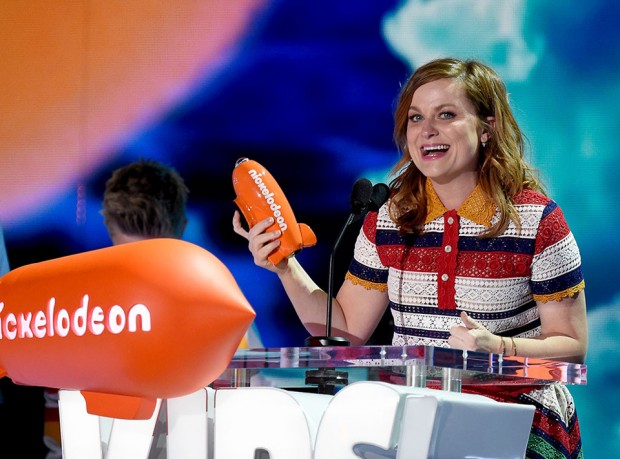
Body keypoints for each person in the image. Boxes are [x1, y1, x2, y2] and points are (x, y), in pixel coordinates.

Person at [233, 58, 587, 458]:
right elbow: (346, 329)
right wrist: (284, 265)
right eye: (416, 118)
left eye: (446, 115)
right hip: (413, 413)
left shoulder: (538, 220)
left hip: (519, 417)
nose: (427, 130)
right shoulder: (389, 218)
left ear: (487, 129)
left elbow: (571, 344)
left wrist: (498, 349)